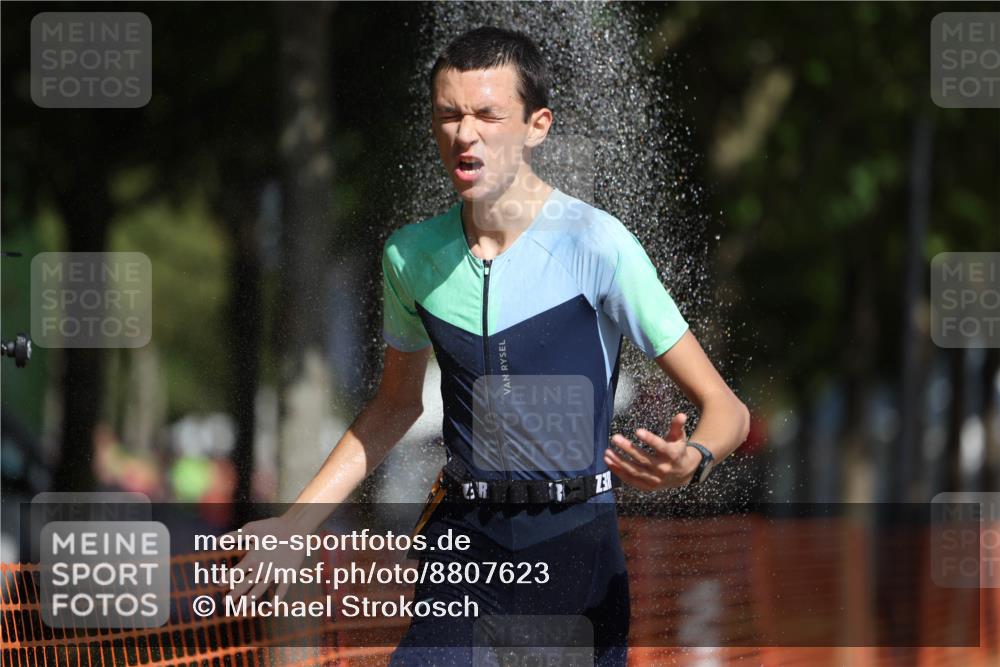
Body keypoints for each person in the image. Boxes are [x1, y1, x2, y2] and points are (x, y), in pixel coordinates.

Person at [227, 26, 750, 667]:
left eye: (487, 115)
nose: (464, 133)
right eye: (448, 115)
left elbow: (727, 410)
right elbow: (395, 406)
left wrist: (692, 459)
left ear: (537, 127)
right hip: (463, 545)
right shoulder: (410, 256)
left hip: (574, 551)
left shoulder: (597, 244)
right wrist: (294, 525)